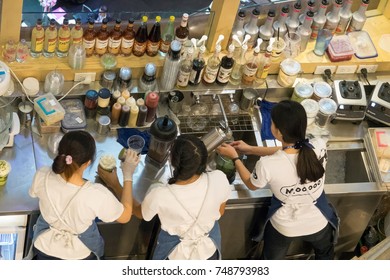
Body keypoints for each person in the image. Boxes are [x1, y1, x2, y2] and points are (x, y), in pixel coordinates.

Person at [216, 100, 339, 260]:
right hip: (319, 222)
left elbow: (251, 185)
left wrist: (235, 157)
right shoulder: (319, 145)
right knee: (325, 255)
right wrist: (251, 149)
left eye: (272, 123)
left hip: (284, 227)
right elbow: (292, 150)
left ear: (279, 132)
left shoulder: (267, 165)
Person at [99, 134, 231, 260]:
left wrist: (116, 183)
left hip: (177, 257)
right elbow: (220, 211)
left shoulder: (160, 194)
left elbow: (139, 212)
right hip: (210, 253)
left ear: (173, 162)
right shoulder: (219, 178)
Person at [28, 130, 139, 260]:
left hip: (44, 247)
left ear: (60, 154)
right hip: (80, 254)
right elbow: (125, 216)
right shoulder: (96, 194)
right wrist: (128, 174)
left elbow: (34, 193)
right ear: (87, 163)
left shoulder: (42, 175)